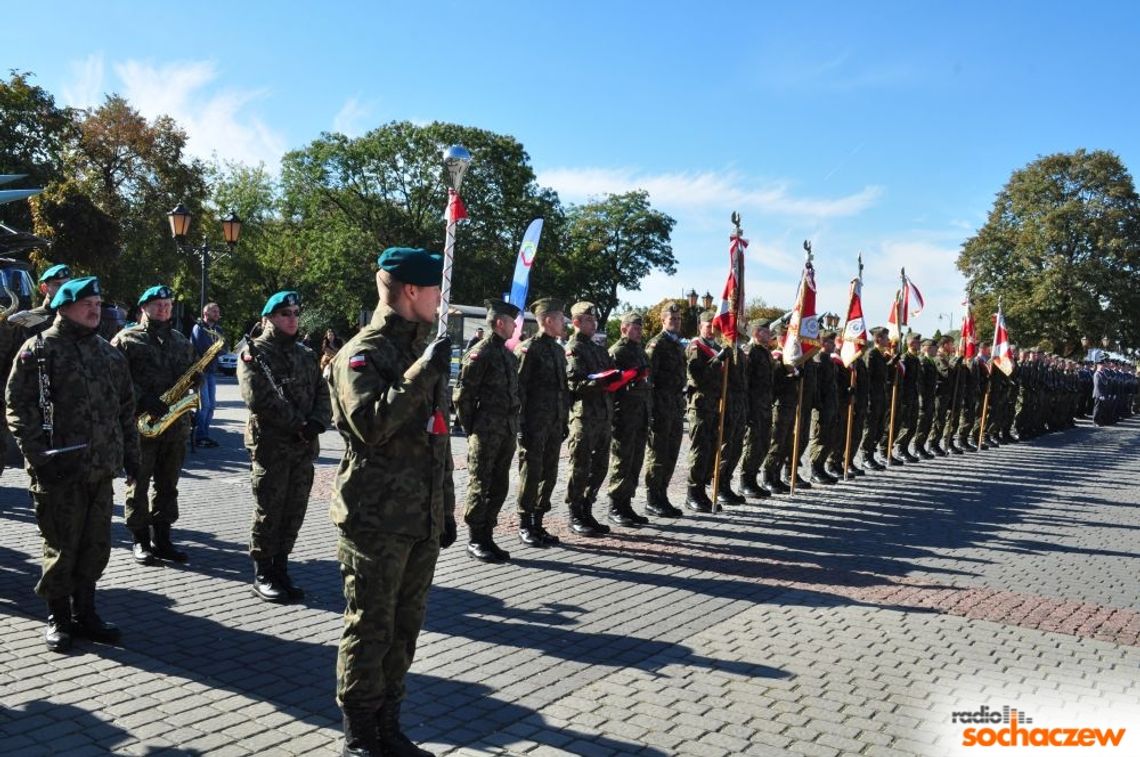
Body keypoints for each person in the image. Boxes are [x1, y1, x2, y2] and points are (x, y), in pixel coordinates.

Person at [327, 247, 456, 757]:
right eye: (436, 290)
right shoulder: (365, 352)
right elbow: (371, 426)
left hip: (418, 518)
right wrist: (422, 370)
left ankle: (389, 726)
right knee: (371, 628)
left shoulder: (424, 348)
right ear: (410, 291)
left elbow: (438, 439)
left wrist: (443, 508)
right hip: (375, 519)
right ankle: (360, 734)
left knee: (404, 631)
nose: (441, 300)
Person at [6, 276, 138, 652]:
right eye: (87, 304)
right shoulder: (39, 349)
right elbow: (17, 407)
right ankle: (58, 617)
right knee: (61, 545)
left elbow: (125, 411)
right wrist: (37, 457)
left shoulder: (109, 353)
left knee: (95, 545)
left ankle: (86, 613)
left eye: (98, 304)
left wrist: (132, 457)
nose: (95, 310)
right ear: (64, 306)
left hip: (100, 469)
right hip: (58, 469)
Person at [238, 291, 331, 602]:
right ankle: (263, 571)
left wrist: (318, 422)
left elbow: (322, 391)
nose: (292, 319)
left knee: (294, 510)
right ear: (268, 318)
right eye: (284, 314)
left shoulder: (306, 355)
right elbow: (259, 400)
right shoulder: (255, 353)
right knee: (270, 509)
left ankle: (281, 567)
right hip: (272, 445)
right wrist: (299, 425)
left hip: (303, 447)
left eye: (294, 312)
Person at [111, 285, 195, 566]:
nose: (164, 308)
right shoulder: (126, 339)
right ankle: (139, 540)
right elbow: (113, 379)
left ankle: (163, 538)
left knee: (168, 485)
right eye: (158, 304)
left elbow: (192, 375)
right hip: (141, 426)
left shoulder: (182, 341)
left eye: (168, 304)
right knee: (138, 483)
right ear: (143, 307)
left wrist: (196, 383)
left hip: (175, 426)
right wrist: (143, 398)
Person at [454, 299, 522, 562]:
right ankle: (475, 539)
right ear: (499, 322)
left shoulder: (506, 354)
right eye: (512, 321)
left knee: (499, 484)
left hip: (505, 430)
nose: (515, 325)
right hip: (485, 431)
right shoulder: (480, 352)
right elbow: (463, 395)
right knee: (480, 484)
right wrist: (473, 427)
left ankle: (488, 534)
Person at [515, 298, 569, 547]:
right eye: (560, 318)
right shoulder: (529, 348)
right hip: (534, 424)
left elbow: (562, 390)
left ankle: (538, 521)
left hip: (553, 423)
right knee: (531, 473)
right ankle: (525, 523)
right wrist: (521, 424)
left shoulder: (558, 350)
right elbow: (519, 389)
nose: (563, 323)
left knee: (549, 473)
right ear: (547, 320)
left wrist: (564, 419)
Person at [563, 302, 617, 534]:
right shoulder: (573, 348)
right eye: (588, 320)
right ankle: (575, 513)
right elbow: (575, 384)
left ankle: (587, 508)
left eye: (594, 320)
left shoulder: (598, 348)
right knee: (581, 466)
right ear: (576, 322)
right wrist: (602, 381)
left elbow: (610, 372)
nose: (594, 323)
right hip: (584, 417)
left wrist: (618, 377)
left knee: (600, 467)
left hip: (603, 416)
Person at [607, 312, 654, 521]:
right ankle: (616, 505)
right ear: (623, 328)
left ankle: (627, 503)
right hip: (624, 414)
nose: (638, 331)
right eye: (634, 327)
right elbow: (612, 385)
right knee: (622, 461)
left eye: (640, 328)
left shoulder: (640, 351)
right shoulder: (617, 352)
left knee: (636, 460)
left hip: (640, 413)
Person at [643, 303, 686, 516]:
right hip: (660, 407)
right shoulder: (656, 344)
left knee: (671, 453)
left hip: (676, 406)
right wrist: (650, 411)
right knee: (658, 454)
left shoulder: (678, 345)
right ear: (663, 321)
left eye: (678, 319)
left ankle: (663, 494)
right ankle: (652, 498)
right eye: (672, 319)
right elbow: (648, 381)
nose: (676, 323)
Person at [684, 311, 729, 512]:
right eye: (707, 325)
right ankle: (692, 494)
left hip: (714, 405)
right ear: (700, 327)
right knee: (699, 450)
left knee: (711, 450)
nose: (711, 329)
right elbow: (697, 376)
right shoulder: (696, 347)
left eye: (714, 325)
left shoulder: (717, 348)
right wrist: (718, 360)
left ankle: (702, 491)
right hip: (700, 406)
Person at [739, 320, 774, 498]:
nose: (769, 334)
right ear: (756, 333)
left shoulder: (765, 352)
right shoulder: (750, 351)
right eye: (766, 332)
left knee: (764, 443)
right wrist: (748, 408)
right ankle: (746, 480)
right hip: (754, 405)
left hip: (765, 404)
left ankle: (753, 477)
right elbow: (746, 381)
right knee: (753, 444)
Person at [191, 302, 223, 447]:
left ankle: (205, 434)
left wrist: (218, 349)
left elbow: (224, 348)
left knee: (211, 406)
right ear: (206, 313)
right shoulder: (199, 328)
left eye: (218, 311)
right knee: (204, 406)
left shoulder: (217, 329)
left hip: (211, 371)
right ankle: (199, 436)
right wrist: (215, 349)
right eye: (214, 312)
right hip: (200, 371)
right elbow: (201, 348)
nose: (217, 314)